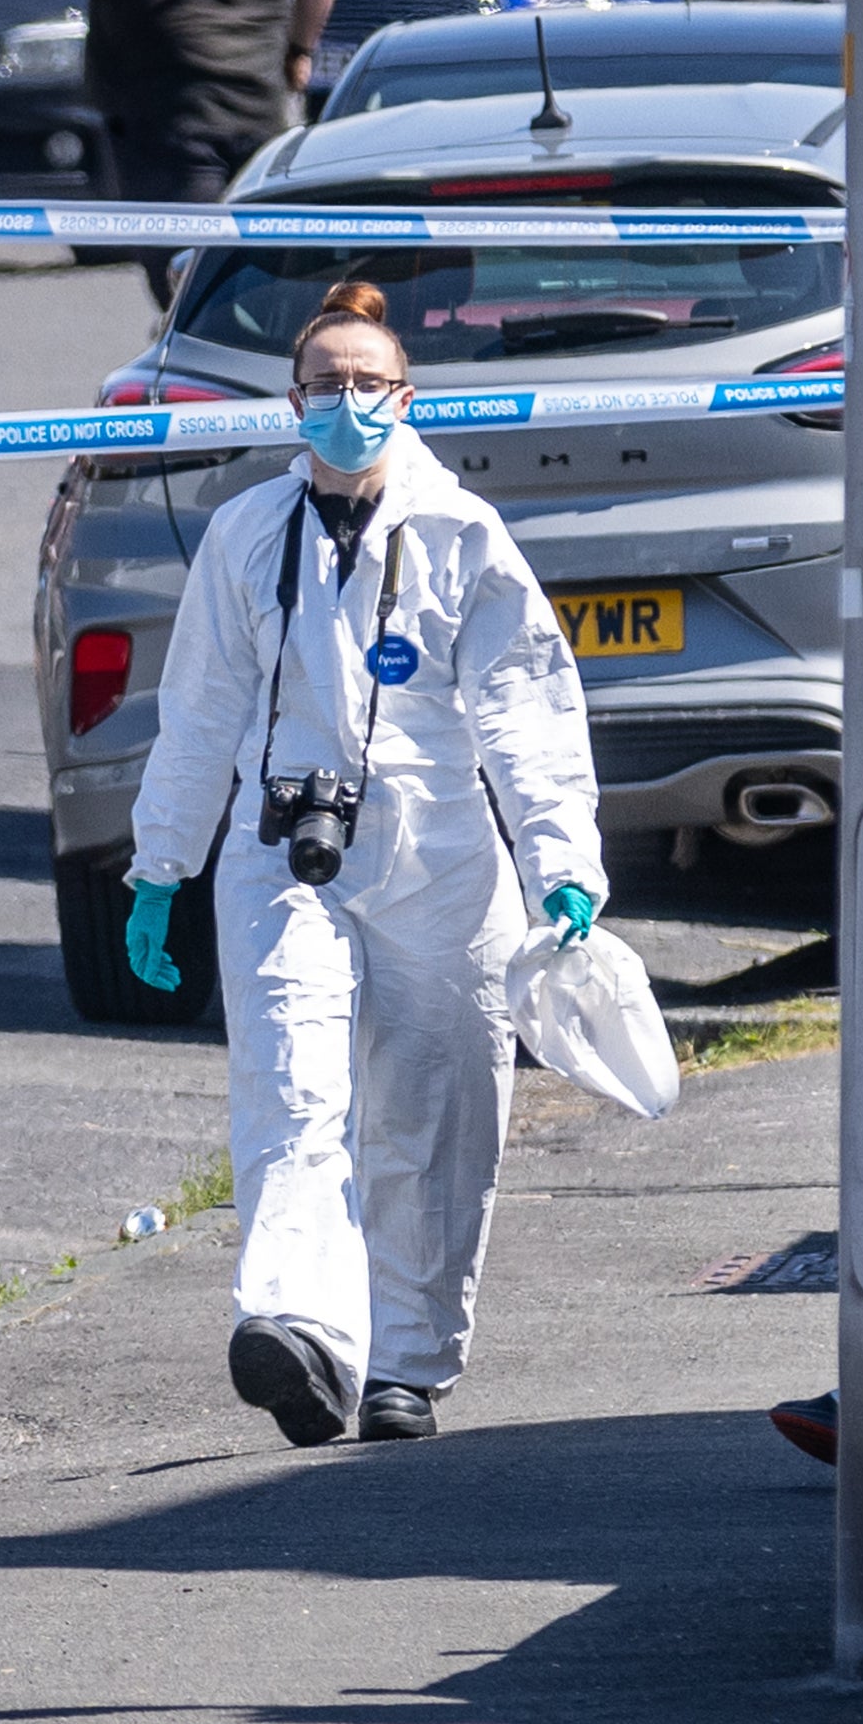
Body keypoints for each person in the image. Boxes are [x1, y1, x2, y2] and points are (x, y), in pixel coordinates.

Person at [122, 281, 607, 1447]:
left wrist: (561, 862)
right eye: (326, 385)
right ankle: (297, 1329)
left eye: (368, 384)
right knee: (294, 1095)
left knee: (437, 1111)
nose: (348, 403)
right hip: (284, 854)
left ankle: (405, 1362)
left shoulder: (459, 535)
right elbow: (197, 714)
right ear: (293, 403)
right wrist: (159, 865)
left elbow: (526, 709)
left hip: (439, 854)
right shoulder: (248, 534)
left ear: (407, 396)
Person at [75, 0, 339, 307]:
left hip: (165, 91)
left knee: (181, 271)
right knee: (259, 269)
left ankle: (196, 358)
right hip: (258, 93)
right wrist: (300, 49)